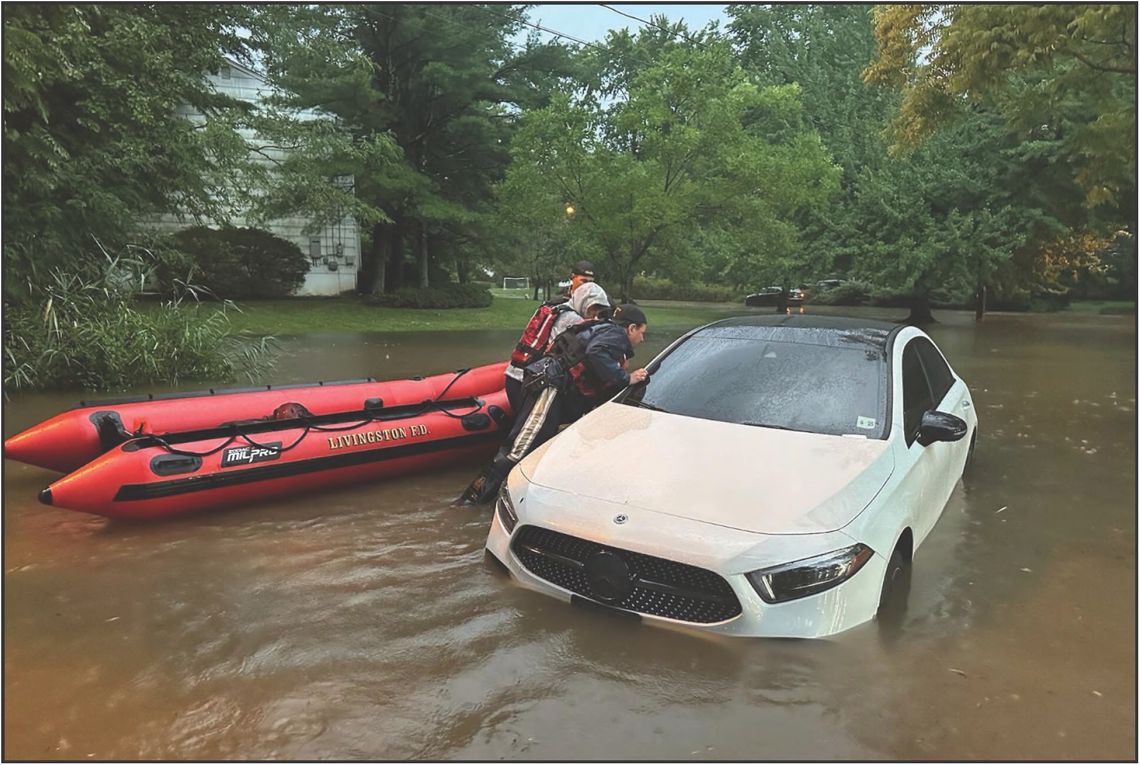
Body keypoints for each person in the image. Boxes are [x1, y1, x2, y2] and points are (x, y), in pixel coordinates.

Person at [460, 303, 648, 505]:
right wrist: (626, 378)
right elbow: (596, 352)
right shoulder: (615, 335)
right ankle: (471, 501)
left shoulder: (601, 328)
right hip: (550, 387)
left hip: (553, 386)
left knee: (532, 448)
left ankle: (502, 499)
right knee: (519, 449)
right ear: (631, 328)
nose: (642, 339)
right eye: (642, 332)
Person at [504, 282, 610, 413]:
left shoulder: (554, 308)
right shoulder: (574, 320)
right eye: (592, 308)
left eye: (598, 310)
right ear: (583, 302)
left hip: (513, 375)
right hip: (529, 383)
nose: (594, 314)